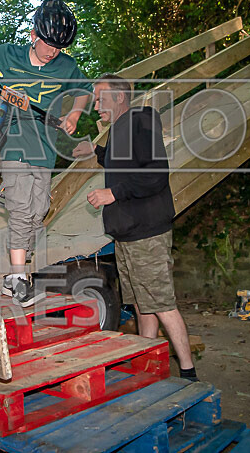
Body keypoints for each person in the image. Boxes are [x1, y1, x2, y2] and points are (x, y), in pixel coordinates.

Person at [0, 0, 92, 307]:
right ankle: (18, 277)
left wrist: (74, 114)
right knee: (21, 208)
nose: (52, 51)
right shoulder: (10, 55)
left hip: (43, 148)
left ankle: (12, 276)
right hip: (11, 140)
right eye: (48, 44)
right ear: (33, 35)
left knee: (38, 212)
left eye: (59, 47)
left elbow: (84, 90)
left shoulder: (66, 67)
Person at [73, 74, 198, 381]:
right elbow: (123, 164)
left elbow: (156, 173)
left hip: (147, 232)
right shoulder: (120, 129)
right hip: (128, 234)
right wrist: (96, 151)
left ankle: (189, 373)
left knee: (162, 303)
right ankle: (149, 368)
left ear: (119, 98)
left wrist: (113, 193)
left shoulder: (140, 121)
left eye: (101, 99)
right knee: (144, 305)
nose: (96, 106)